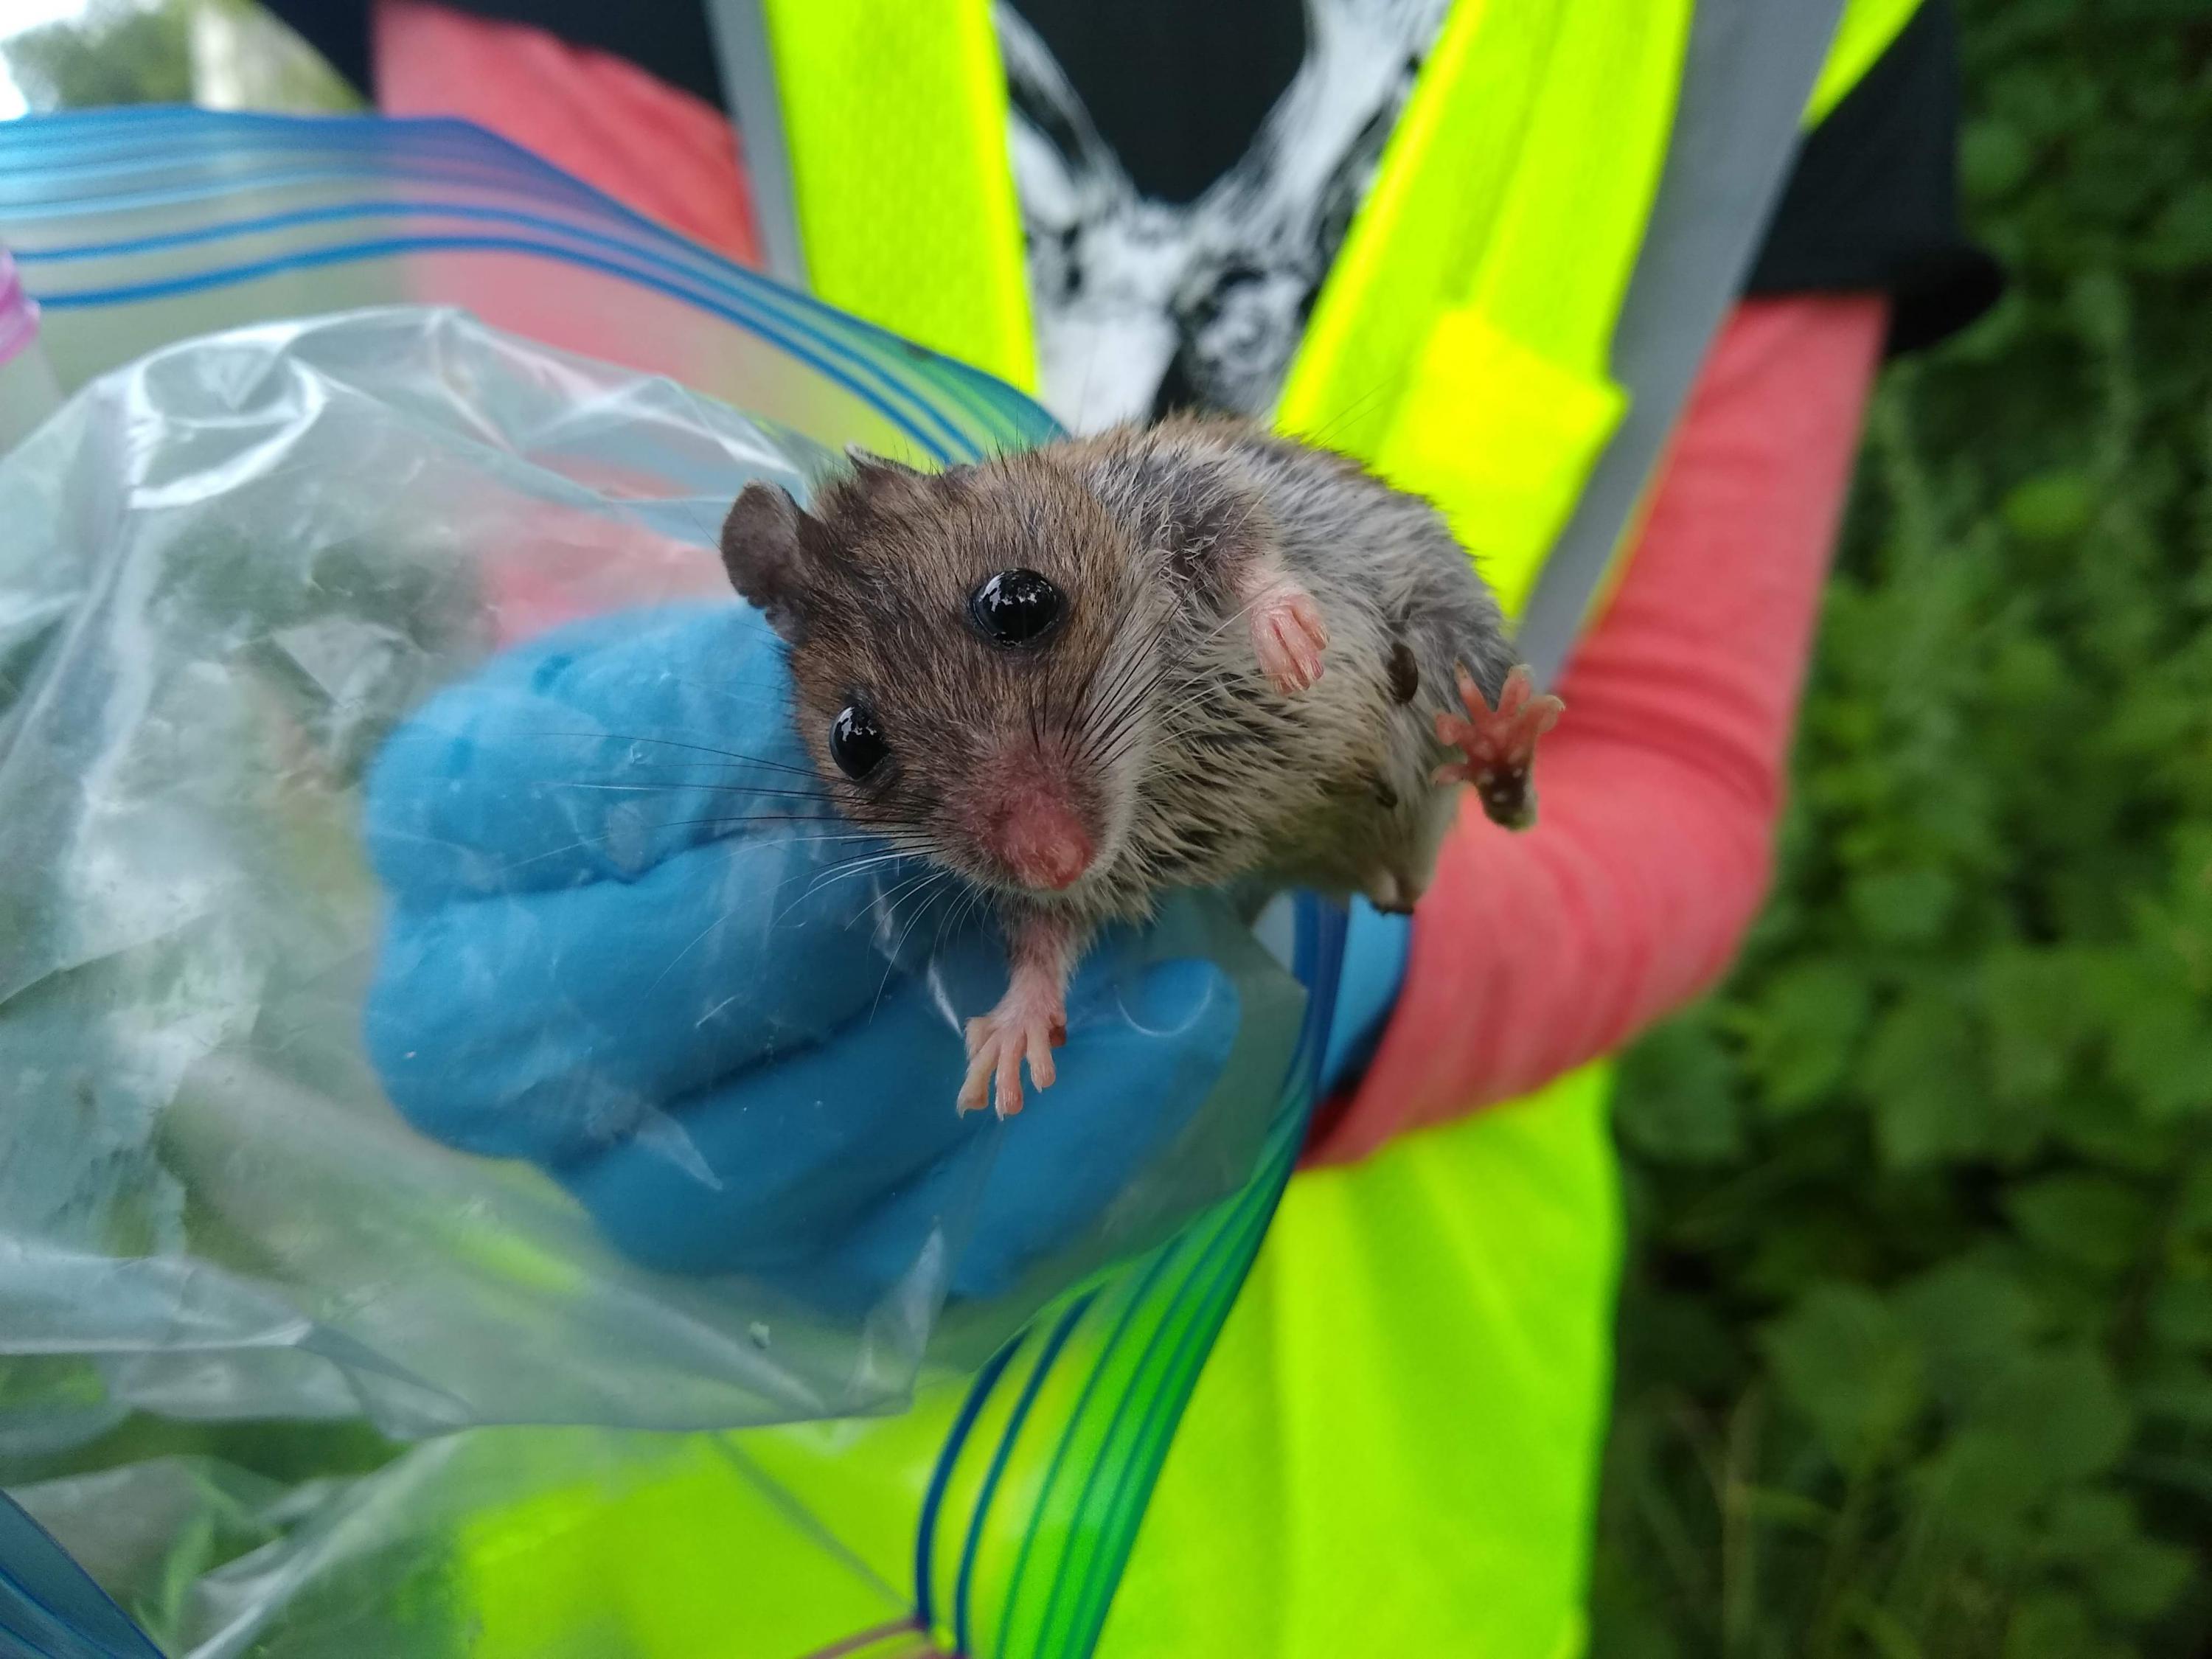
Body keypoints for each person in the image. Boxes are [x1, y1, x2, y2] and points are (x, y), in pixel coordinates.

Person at [269, 1, 2001, 1652]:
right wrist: (641, 918)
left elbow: (1674, 754)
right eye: (865, 750)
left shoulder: (1783, 25)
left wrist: (1365, 972)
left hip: (1381, 1532)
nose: (1031, 833)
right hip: (779, 1539)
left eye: (1024, 615)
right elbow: (595, 565)